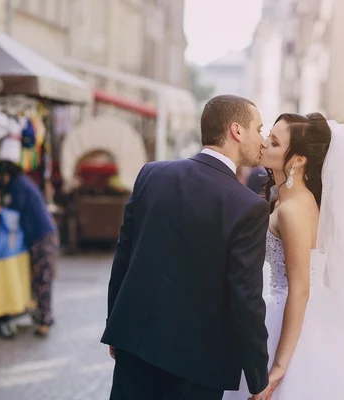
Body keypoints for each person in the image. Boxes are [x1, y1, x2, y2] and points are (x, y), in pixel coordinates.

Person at [223, 113, 344, 399]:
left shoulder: (293, 210)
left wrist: (278, 366)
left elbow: (300, 290)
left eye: (274, 142)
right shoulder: (296, 201)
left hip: (292, 322)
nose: (263, 144)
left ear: (298, 160)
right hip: (300, 313)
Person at [102, 95, 273, 400]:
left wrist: (116, 324)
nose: (263, 139)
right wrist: (257, 377)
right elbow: (245, 297)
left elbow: (124, 255)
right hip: (198, 364)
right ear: (237, 130)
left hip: (136, 344)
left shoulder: (152, 174)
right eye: (258, 129)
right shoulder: (247, 206)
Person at [0, 160, 59, 337]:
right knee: (40, 278)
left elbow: (15, 208)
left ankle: (45, 321)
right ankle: (41, 318)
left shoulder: (17, 184)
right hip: (45, 235)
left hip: (42, 236)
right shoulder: (23, 181)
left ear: (5, 175)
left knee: (43, 279)